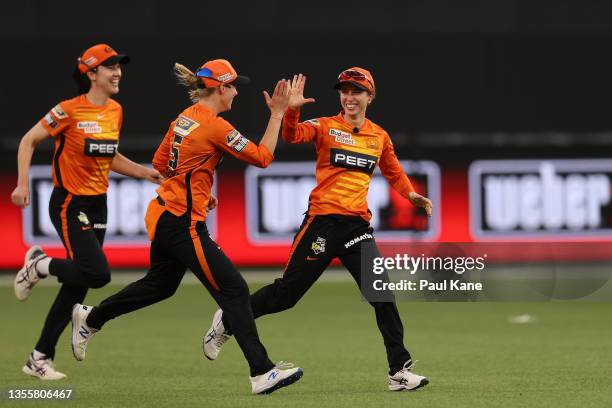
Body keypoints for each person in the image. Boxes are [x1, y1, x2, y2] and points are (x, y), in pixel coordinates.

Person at [70, 59, 304, 395]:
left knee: (161, 286)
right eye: (234, 86)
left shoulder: (184, 118)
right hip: (182, 223)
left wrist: (198, 190)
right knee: (234, 290)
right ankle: (262, 372)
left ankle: (91, 319)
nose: (237, 92)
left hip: (166, 214)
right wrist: (278, 113)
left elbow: (160, 163)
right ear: (221, 88)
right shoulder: (216, 127)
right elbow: (263, 157)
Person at [203, 69, 433, 391]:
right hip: (322, 224)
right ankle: (228, 319)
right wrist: (292, 109)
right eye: (345, 91)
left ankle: (399, 371)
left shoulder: (378, 136)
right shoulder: (325, 126)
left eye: (357, 91)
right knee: (286, 296)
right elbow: (292, 135)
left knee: (382, 295)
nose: (350, 97)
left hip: (357, 227)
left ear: (370, 96)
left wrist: (410, 195)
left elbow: (393, 171)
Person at [11, 44, 162, 380]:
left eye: (120, 66)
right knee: (97, 274)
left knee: (77, 284)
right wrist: (22, 185)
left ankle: (39, 357)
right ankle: (40, 265)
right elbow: (28, 140)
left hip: (99, 203)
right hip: (69, 202)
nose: (118, 72)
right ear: (90, 73)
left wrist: (145, 172)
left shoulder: (115, 111)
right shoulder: (67, 111)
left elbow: (109, 156)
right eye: (110, 67)